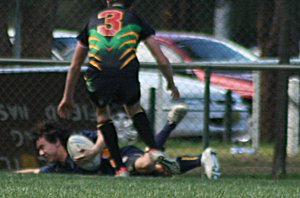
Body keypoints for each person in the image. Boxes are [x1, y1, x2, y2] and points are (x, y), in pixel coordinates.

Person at [57, 0, 180, 176]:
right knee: (133, 108)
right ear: (132, 3)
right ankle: (153, 148)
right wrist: (170, 82)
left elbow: (75, 66)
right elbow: (161, 58)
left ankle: (120, 168)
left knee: (103, 115)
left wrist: (67, 97)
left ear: (108, 1)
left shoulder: (92, 20)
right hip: (126, 73)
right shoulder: (135, 19)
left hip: (97, 75)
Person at [17, 105, 221, 179]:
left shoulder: (78, 142)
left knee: (146, 164)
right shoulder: (58, 168)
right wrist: (14, 175)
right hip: (120, 174)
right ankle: (200, 156)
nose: (41, 154)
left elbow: (106, 132)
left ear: (56, 141)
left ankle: (174, 130)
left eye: (42, 147)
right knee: (162, 169)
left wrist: (95, 151)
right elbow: (34, 173)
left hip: (121, 158)